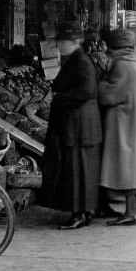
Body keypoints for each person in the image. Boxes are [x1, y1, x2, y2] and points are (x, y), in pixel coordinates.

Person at [37, 22, 103, 229]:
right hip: (79, 126)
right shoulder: (75, 59)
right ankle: (83, 211)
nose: (59, 46)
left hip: (79, 126)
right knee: (80, 172)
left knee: (77, 172)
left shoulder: (80, 61)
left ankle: (79, 215)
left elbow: (86, 92)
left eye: (62, 42)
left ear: (73, 42)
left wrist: (58, 98)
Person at [97, 29, 136, 225]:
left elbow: (109, 95)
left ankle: (130, 213)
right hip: (134, 125)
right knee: (132, 169)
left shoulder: (122, 66)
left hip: (122, 126)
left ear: (114, 48)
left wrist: (100, 83)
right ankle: (131, 211)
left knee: (127, 169)